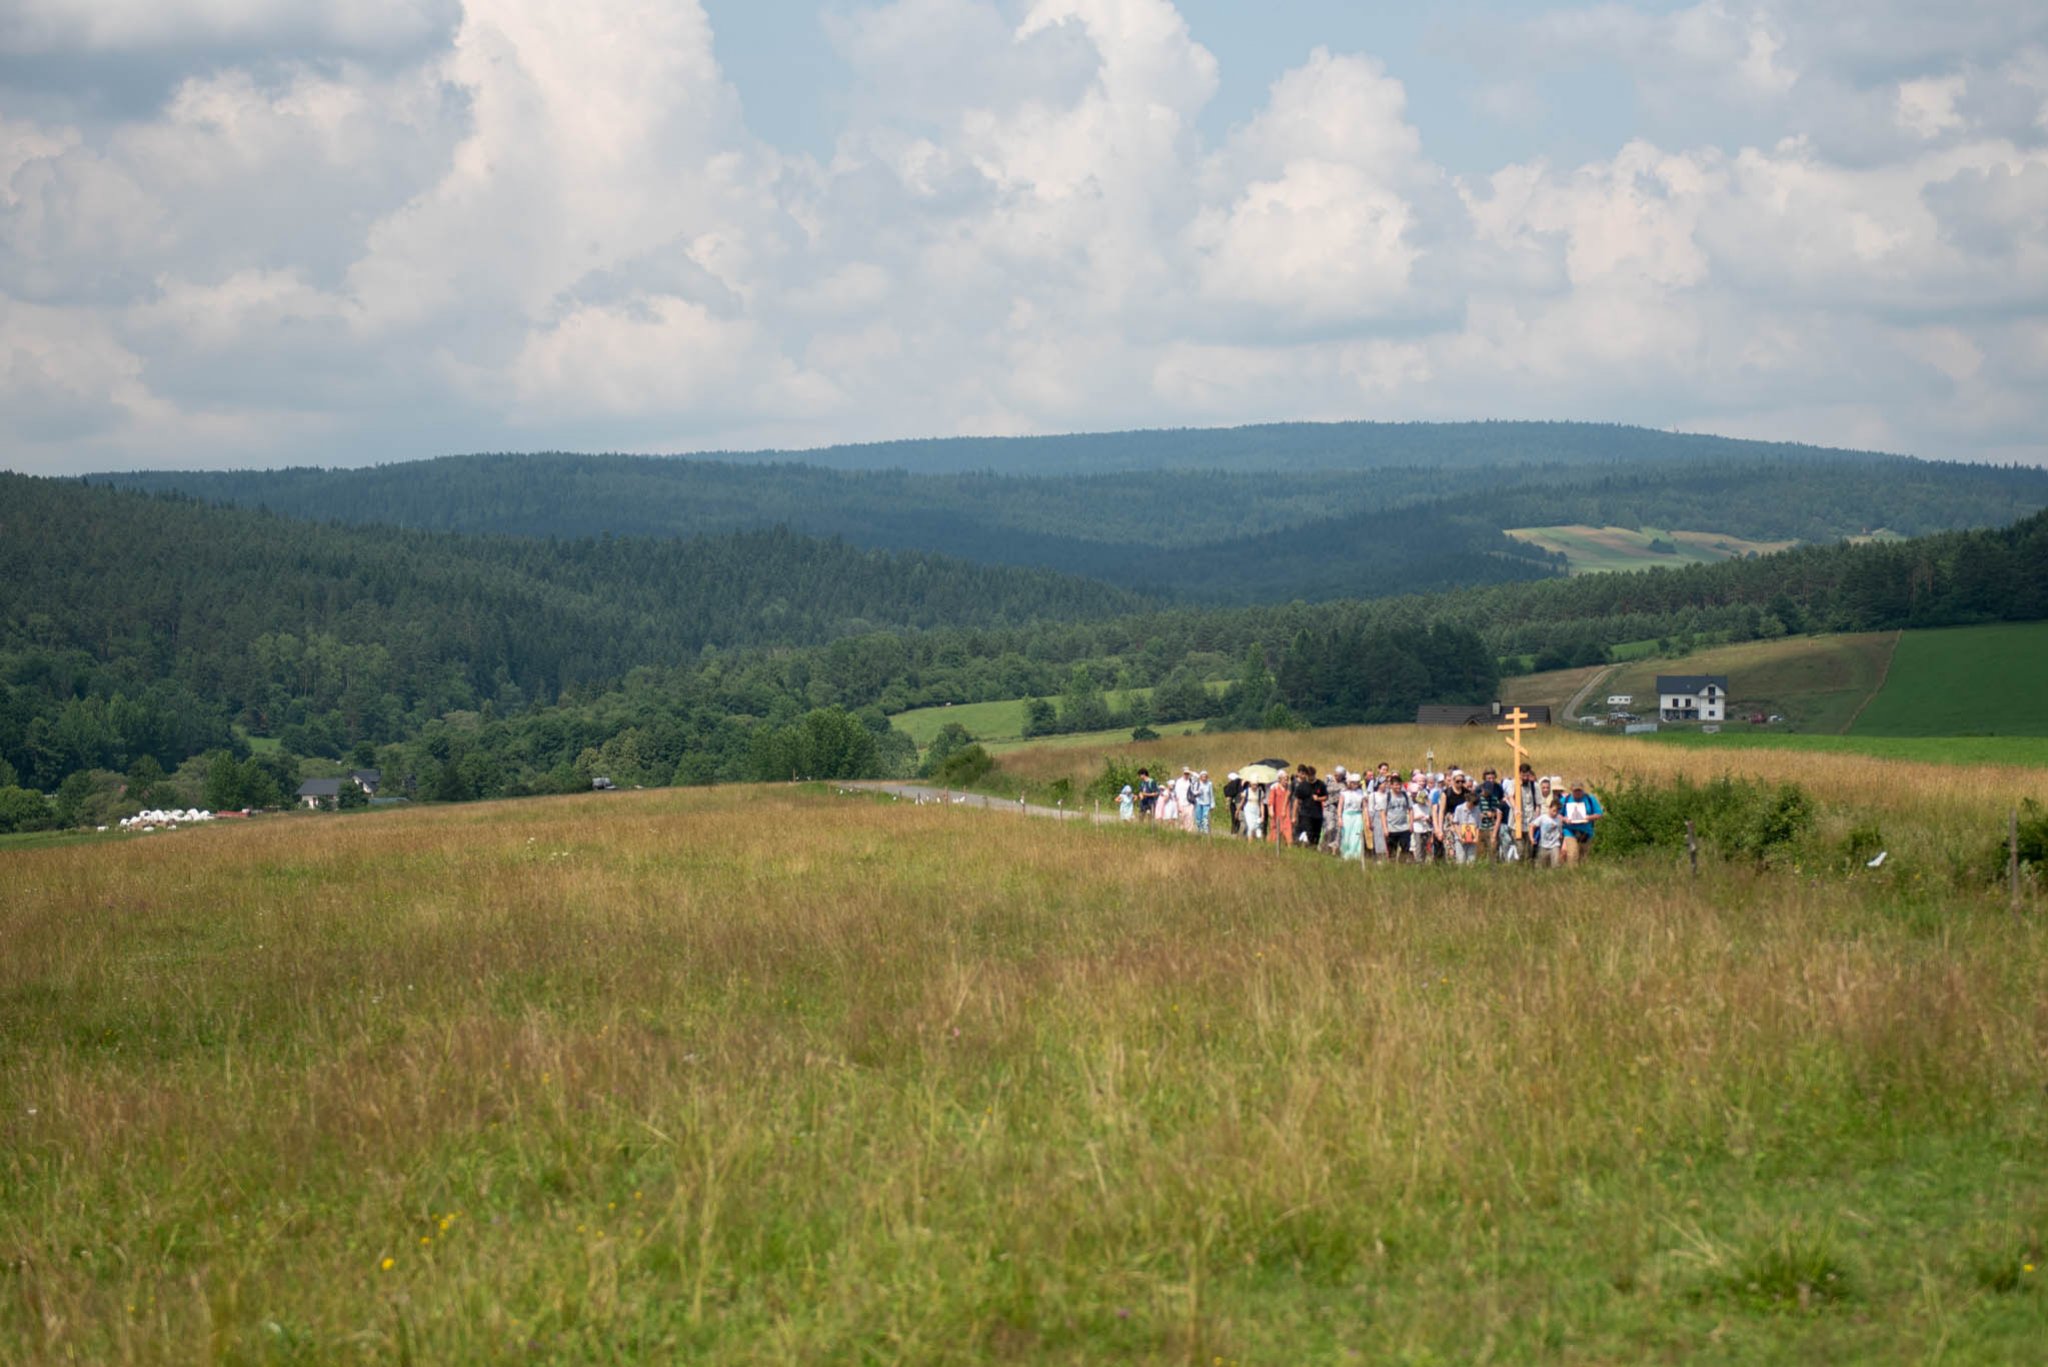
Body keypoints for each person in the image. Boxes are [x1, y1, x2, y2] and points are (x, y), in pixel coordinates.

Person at [1560, 780, 1604, 863]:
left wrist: (1589, 817)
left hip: (1586, 832)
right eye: (1575, 791)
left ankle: (1582, 874)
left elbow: (1599, 814)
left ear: (1583, 790)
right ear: (1571, 790)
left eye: (1579, 790)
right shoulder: (1565, 800)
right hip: (1570, 830)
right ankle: (1571, 873)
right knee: (1573, 854)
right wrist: (1564, 819)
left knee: (1584, 856)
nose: (1578, 793)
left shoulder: (1590, 799)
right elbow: (1557, 814)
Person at [1382, 773, 1414, 862]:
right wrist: (1385, 828)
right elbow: (1383, 813)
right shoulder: (1387, 797)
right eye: (1396, 785)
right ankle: (1392, 869)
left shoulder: (1405, 796)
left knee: (1405, 850)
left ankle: (1402, 866)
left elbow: (1411, 810)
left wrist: (1411, 824)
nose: (1398, 787)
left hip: (1404, 828)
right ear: (1391, 785)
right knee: (1392, 852)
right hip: (1391, 829)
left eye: (1399, 784)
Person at [1292, 765, 1325, 848]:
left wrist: (1318, 798)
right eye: (1309, 775)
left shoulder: (1320, 784)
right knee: (1307, 833)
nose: (1311, 777)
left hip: (1317, 815)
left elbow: (1326, 797)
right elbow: (1296, 801)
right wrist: (1294, 816)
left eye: (1312, 775)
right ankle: (1303, 846)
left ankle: (1313, 848)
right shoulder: (1302, 786)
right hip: (1305, 814)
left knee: (1316, 835)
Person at [1338, 772, 1366, 860]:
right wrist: (1339, 818)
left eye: (1357, 782)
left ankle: (1356, 855)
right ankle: (1345, 855)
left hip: (1357, 815)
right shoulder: (1344, 793)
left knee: (1356, 835)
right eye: (1353, 782)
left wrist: (1366, 818)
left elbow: (1364, 807)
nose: (1355, 784)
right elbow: (1340, 806)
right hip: (1346, 815)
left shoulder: (1361, 792)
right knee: (1346, 835)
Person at [1450, 789, 1481, 865]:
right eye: (1472, 804)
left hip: (1472, 838)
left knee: (1471, 860)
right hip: (1460, 838)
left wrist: (1476, 837)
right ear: (1468, 801)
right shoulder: (1459, 808)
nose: (1473, 806)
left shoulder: (1477, 809)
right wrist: (1460, 836)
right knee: (1460, 859)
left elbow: (1477, 825)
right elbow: (1456, 823)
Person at [1533, 798, 1566, 867]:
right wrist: (1531, 837)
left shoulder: (1558, 820)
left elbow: (1560, 832)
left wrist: (1560, 837)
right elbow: (1532, 826)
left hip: (1555, 845)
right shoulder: (1543, 817)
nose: (1555, 813)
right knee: (1539, 866)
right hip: (1543, 845)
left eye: (1557, 811)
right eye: (1553, 810)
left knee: (1556, 864)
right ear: (1550, 808)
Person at [1223, 771, 1244, 836]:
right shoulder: (1240, 783)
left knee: (1235, 817)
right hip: (1240, 802)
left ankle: (1235, 832)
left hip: (1235, 802)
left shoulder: (1231, 784)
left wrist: (1227, 805)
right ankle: (1238, 831)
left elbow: (1229, 795)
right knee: (1239, 817)